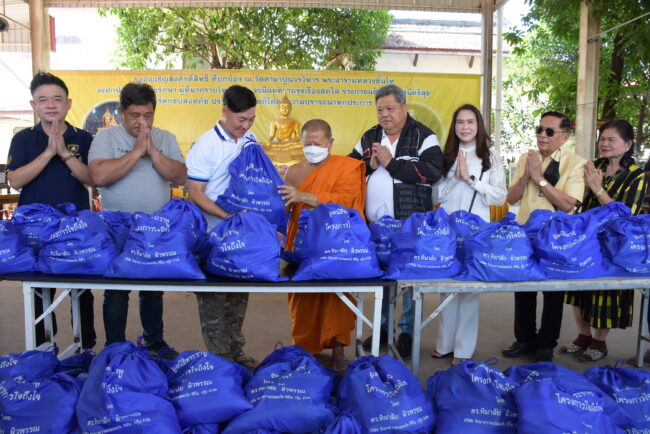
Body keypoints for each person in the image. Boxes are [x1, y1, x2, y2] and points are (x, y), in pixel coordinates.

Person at [88, 82, 186, 358]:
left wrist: (152, 151)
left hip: (155, 227)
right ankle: (114, 346)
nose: (142, 122)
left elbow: (180, 176)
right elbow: (99, 177)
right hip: (116, 226)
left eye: (148, 115)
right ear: (121, 112)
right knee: (116, 289)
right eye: (135, 115)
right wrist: (136, 152)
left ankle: (155, 342)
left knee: (153, 288)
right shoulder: (106, 138)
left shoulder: (165, 138)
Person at [350, 84, 444, 359]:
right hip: (375, 226)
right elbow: (350, 169)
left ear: (404, 108)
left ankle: (406, 333)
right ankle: (381, 329)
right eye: (380, 110)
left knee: (408, 280)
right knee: (381, 279)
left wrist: (391, 164)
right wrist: (368, 166)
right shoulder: (369, 136)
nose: (384, 114)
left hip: (409, 223)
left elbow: (432, 172)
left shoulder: (424, 135)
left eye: (390, 108)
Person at [6, 72, 96, 350]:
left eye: (57, 99)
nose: (50, 105)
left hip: (75, 225)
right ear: (33, 105)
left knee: (81, 289)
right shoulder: (23, 139)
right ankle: (43, 347)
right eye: (43, 100)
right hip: (34, 229)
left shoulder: (83, 138)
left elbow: (91, 179)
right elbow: (15, 180)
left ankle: (85, 348)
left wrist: (65, 154)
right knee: (38, 290)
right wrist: (48, 153)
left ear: (68, 104)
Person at [280, 119, 366, 372]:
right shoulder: (293, 172)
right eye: (307, 144)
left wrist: (305, 196)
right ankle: (305, 348)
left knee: (337, 296)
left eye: (317, 144)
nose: (312, 148)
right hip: (302, 244)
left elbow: (346, 201)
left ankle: (338, 348)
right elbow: (285, 208)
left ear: (330, 143)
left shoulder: (345, 168)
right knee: (303, 298)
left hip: (336, 243)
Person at [558, 119, 647, 363]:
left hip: (615, 243)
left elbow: (626, 216)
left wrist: (597, 189)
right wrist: (585, 190)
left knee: (604, 293)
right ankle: (582, 336)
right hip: (587, 238)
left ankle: (599, 341)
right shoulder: (593, 165)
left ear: (628, 144)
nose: (604, 144)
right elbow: (578, 198)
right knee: (579, 290)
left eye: (611, 140)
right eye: (602, 139)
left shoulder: (636, 175)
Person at [502, 111, 586, 362]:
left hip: (556, 236)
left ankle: (547, 343)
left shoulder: (575, 163)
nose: (542, 135)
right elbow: (511, 198)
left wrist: (538, 178)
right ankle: (524, 339)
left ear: (564, 137)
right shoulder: (526, 158)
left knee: (553, 291)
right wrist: (526, 176)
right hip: (525, 233)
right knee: (523, 288)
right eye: (539, 129)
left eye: (549, 131)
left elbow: (568, 204)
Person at [185, 85, 258, 369]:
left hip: (240, 231)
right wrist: (226, 215)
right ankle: (220, 361)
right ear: (225, 110)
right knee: (214, 299)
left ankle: (236, 350)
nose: (246, 125)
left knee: (239, 294)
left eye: (251, 119)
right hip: (212, 232)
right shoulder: (206, 145)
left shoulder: (249, 138)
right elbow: (196, 193)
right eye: (241, 119)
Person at [431, 104, 507, 366]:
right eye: (460, 122)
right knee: (447, 286)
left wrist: (471, 179)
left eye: (470, 122)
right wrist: (455, 178)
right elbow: (434, 195)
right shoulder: (446, 155)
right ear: (454, 126)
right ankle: (444, 345)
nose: (465, 127)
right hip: (448, 229)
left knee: (470, 289)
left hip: (476, 230)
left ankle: (463, 350)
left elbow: (500, 196)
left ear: (479, 125)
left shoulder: (490, 156)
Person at [263, 95, 302, 165]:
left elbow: (298, 137)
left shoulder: (294, 122)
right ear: (279, 109)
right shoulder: (274, 121)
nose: (285, 110)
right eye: (282, 107)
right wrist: (269, 140)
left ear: (290, 109)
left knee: (301, 146)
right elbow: (272, 135)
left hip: (289, 143)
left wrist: (289, 141)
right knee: (265, 147)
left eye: (287, 108)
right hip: (277, 143)